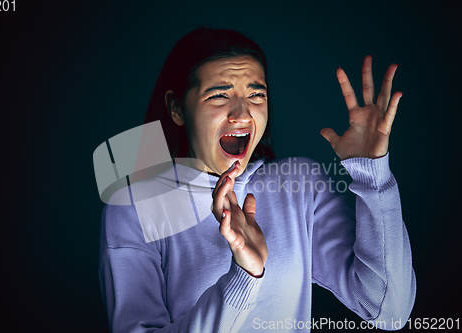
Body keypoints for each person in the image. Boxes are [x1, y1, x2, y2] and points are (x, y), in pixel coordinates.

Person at [98, 27, 416, 332]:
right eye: (220, 95)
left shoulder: (300, 186)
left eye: (256, 94)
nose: (242, 114)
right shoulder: (133, 209)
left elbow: (389, 310)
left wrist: (373, 173)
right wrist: (245, 275)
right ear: (177, 108)